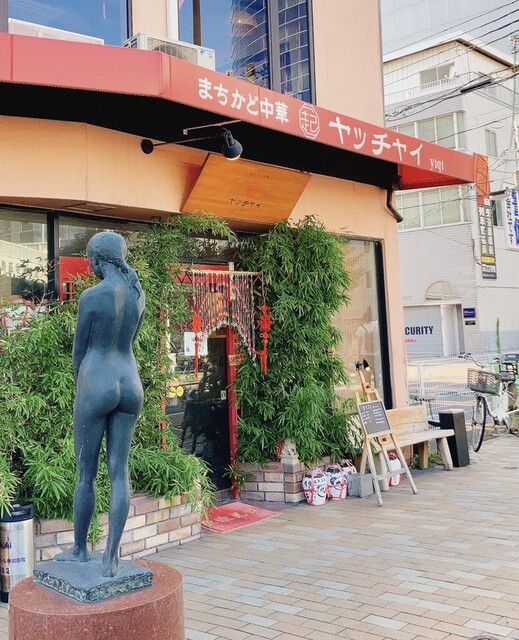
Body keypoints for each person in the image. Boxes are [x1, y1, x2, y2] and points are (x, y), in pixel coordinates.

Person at [56, 231, 145, 578]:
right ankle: (111, 557)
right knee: (119, 471)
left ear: (95, 260)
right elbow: (131, 340)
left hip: (98, 380)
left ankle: (81, 550)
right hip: (130, 382)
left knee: (86, 473)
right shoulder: (138, 294)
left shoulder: (92, 296)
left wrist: (88, 387)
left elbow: (79, 352)